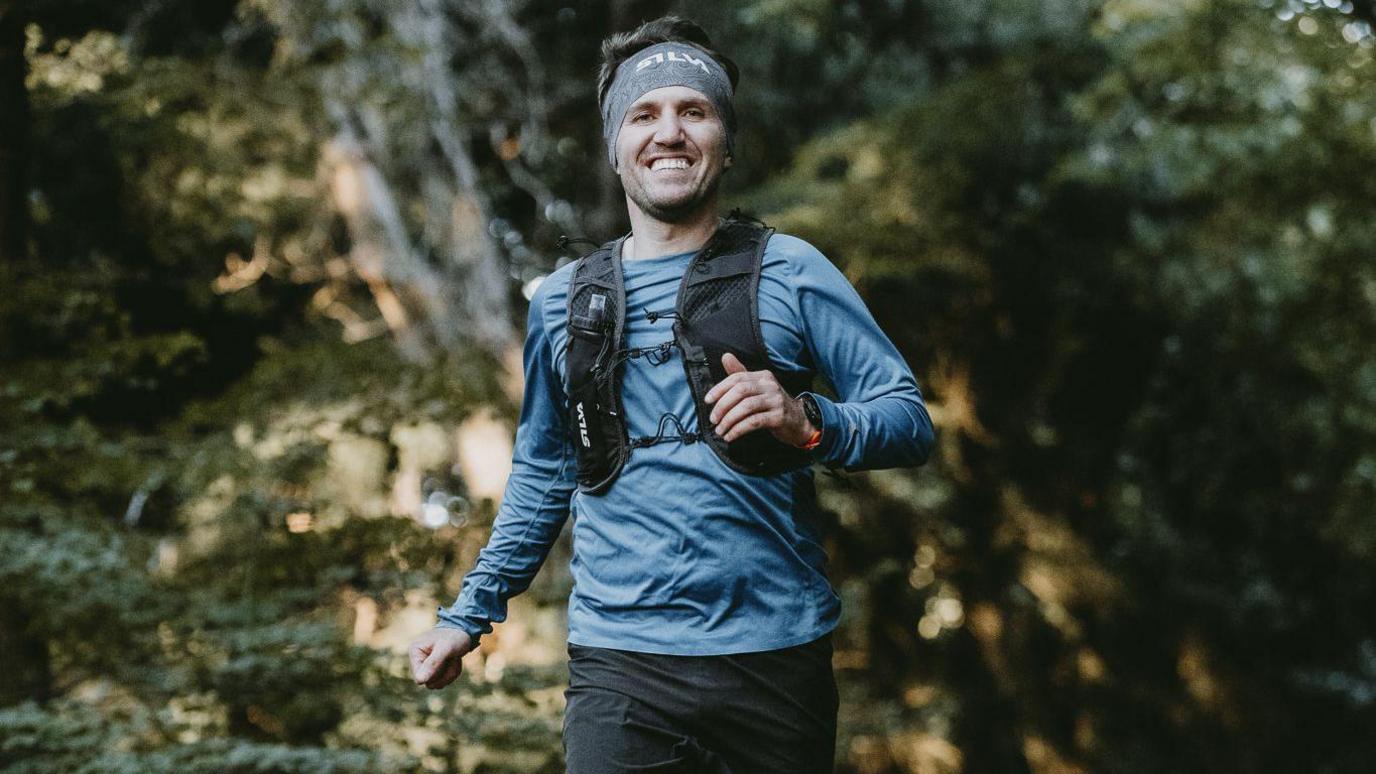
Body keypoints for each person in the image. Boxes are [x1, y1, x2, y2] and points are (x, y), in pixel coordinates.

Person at [408, 15, 935, 773]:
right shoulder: (561, 302)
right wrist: (468, 617)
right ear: (616, 147)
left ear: (725, 140)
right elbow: (543, 471)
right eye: (644, 115)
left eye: (695, 111)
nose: (670, 132)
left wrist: (805, 419)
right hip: (621, 667)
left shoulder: (790, 270)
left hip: (774, 659)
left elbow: (907, 420)